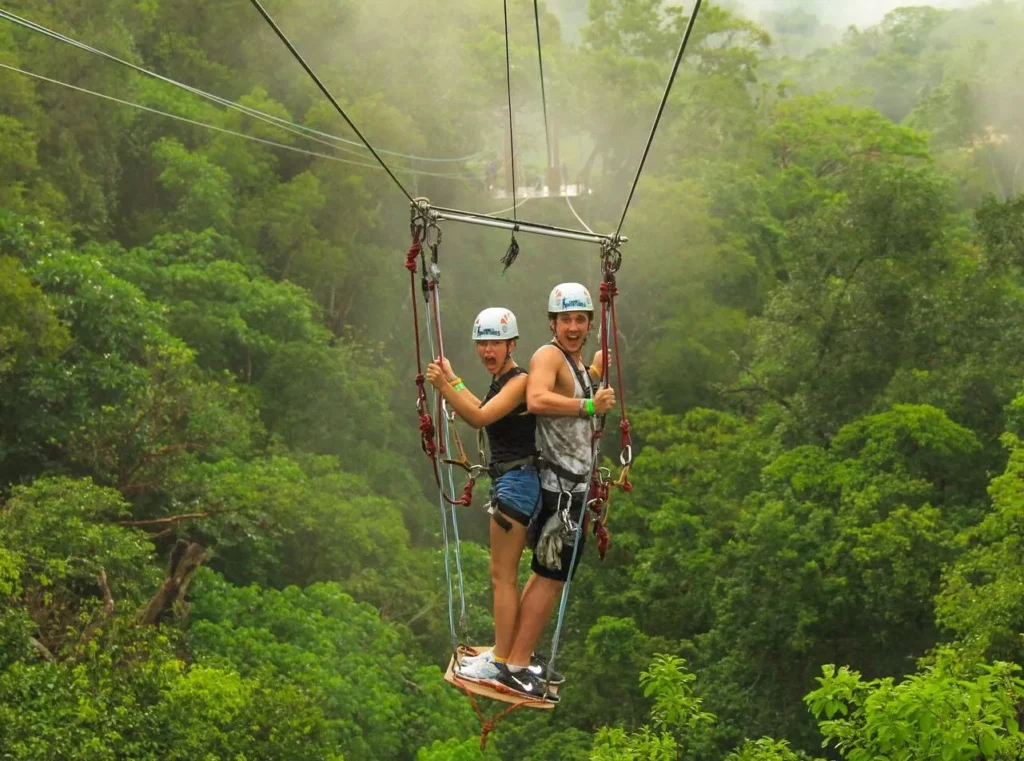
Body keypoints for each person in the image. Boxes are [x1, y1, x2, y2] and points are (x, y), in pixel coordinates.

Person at [489, 282, 616, 699]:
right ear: (553, 323)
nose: (574, 327)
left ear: (589, 324)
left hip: (571, 488)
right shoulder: (548, 355)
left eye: (580, 320)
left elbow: (570, 387)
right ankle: (517, 663)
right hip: (559, 489)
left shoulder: (574, 363)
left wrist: (595, 372)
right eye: (566, 320)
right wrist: (590, 406)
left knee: (548, 576)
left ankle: (516, 656)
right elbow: (539, 398)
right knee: (552, 577)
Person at [425, 307, 545, 685]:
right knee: (504, 576)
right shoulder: (504, 380)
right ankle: (506, 656)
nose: (487, 350)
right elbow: (481, 408)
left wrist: (444, 387)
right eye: (483, 343)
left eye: (495, 343)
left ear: (512, 344)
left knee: (502, 578)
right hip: (515, 483)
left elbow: (479, 418)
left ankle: (502, 659)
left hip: (517, 484)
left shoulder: (519, 381)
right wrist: (455, 380)